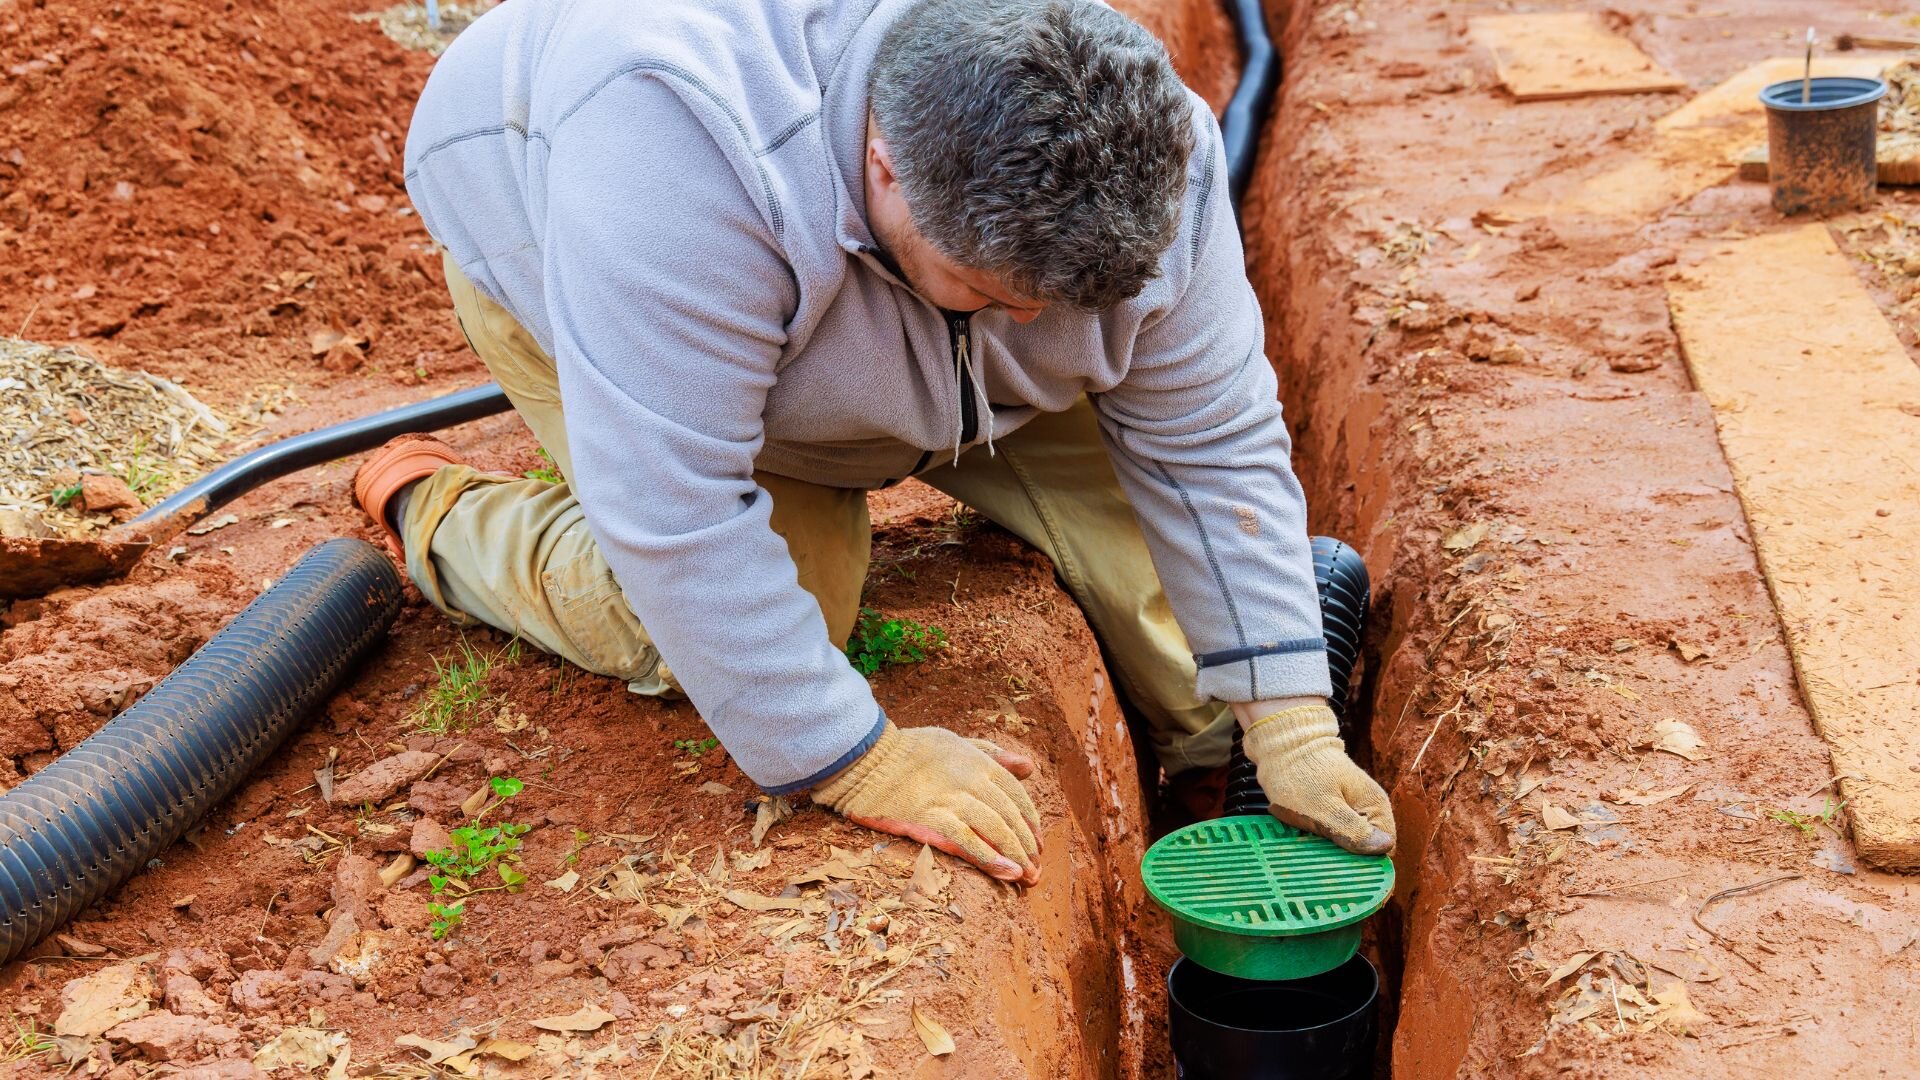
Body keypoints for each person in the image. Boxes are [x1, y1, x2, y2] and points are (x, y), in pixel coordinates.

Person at [358, 0, 1395, 886]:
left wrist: (1289, 722)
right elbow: (675, 508)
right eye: (996, 294)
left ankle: (1207, 770)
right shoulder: (674, 155)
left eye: (1060, 306)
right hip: (586, 260)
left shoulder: (1149, 145)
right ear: (886, 168)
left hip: (914, 322)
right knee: (730, 617)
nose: (1033, 326)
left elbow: (1209, 438)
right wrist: (854, 761)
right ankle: (443, 516)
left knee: (1176, 627)